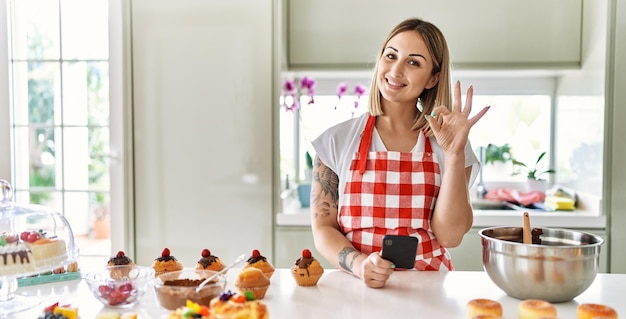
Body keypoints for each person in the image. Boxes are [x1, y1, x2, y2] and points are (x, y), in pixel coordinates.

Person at [310, 17, 490, 288]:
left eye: (413, 62)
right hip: (357, 287)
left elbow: (450, 237)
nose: (396, 70)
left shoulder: (450, 143)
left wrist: (454, 155)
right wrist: (360, 265)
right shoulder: (336, 141)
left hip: (429, 291)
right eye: (391, 56)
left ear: (433, 79)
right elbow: (323, 228)